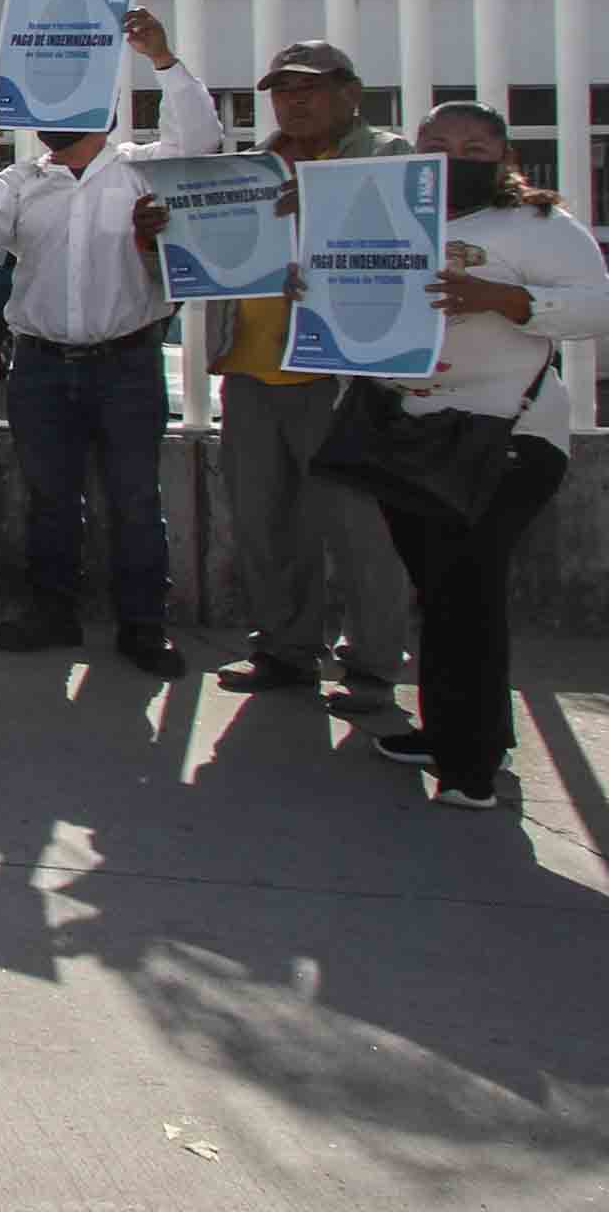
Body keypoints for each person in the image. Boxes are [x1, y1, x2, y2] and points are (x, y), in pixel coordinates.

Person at [0, 7, 222, 678]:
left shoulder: (141, 170)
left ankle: (143, 625)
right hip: (40, 365)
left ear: (106, 109)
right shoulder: (18, 181)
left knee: (135, 499)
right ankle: (52, 611)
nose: (56, 114)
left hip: (125, 362)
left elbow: (201, 139)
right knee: (48, 497)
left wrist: (161, 58)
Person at [360, 102, 609, 808]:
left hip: (505, 435)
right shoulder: (389, 217)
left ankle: (468, 766)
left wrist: (504, 299)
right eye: (437, 143)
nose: (454, 157)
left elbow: (600, 310)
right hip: (410, 432)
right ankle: (457, 729)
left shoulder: (537, 225)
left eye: (474, 147)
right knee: (438, 590)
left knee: (464, 594)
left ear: (503, 156)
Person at [193, 40, 413, 716]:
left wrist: (319, 205)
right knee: (264, 526)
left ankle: (372, 665)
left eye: (309, 88)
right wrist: (165, 235)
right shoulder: (250, 168)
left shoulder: (386, 156)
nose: (293, 101)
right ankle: (285, 650)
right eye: (283, 91)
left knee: (360, 532)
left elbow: (402, 239)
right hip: (250, 371)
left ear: (351, 93)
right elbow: (205, 259)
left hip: (339, 377)